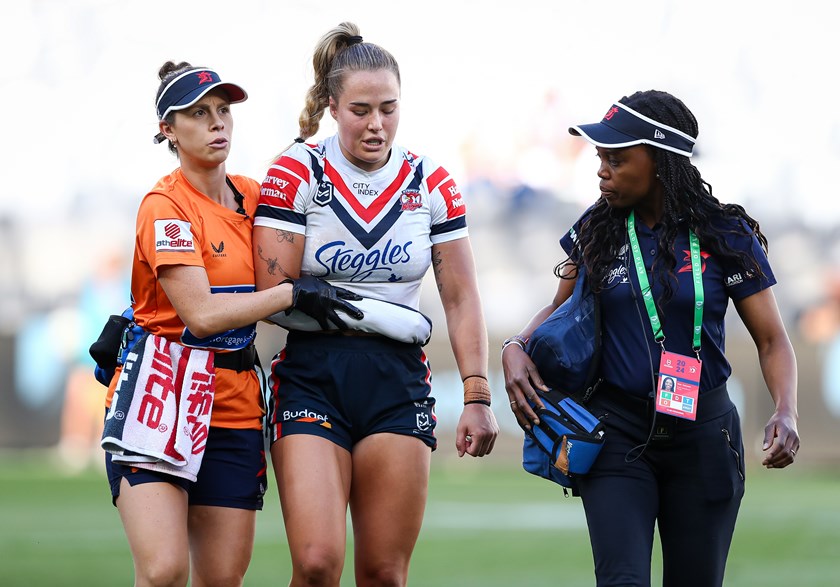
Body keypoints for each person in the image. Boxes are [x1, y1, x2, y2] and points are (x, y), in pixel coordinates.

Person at [502, 90, 799, 587]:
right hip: (616, 434)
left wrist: (785, 410)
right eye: (601, 158)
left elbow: (772, 340)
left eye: (616, 159)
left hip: (704, 437)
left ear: (661, 161)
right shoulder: (596, 230)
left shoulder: (726, 234)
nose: (602, 170)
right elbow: (559, 307)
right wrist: (515, 345)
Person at [252, 22, 500, 586]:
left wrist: (477, 393)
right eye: (360, 110)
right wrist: (358, 309)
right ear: (333, 107)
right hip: (314, 375)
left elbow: (460, 297)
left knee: (385, 574)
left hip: (397, 381)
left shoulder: (431, 181)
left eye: (388, 108)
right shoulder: (295, 172)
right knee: (316, 564)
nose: (376, 124)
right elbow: (271, 295)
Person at [102, 60, 360, 587]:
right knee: (165, 571)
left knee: (221, 579)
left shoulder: (252, 195)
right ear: (167, 131)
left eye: (223, 111)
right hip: (162, 394)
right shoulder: (165, 205)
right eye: (198, 113)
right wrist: (289, 294)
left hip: (235, 403)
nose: (218, 122)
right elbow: (200, 315)